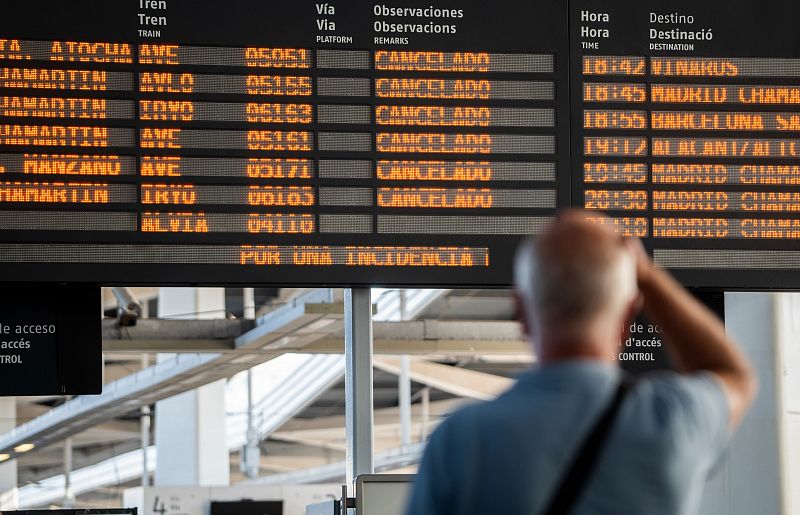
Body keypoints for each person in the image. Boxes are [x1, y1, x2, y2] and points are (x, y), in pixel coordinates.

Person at [404, 210, 757, 515]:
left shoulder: (461, 441)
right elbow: (733, 374)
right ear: (628, 317)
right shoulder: (672, 421)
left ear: (522, 312)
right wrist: (647, 276)